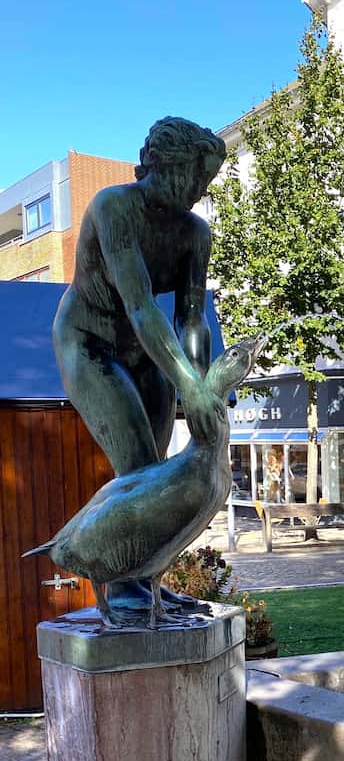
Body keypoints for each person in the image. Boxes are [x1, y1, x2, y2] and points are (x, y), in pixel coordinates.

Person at [53, 117, 227, 610]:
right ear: (166, 166)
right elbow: (141, 305)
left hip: (150, 353)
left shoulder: (195, 233)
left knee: (156, 477)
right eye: (196, 177)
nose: (200, 190)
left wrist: (203, 385)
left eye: (206, 182)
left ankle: (141, 581)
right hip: (90, 344)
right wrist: (188, 387)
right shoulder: (114, 207)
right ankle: (123, 587)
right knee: (136, 468)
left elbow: (192, 317)